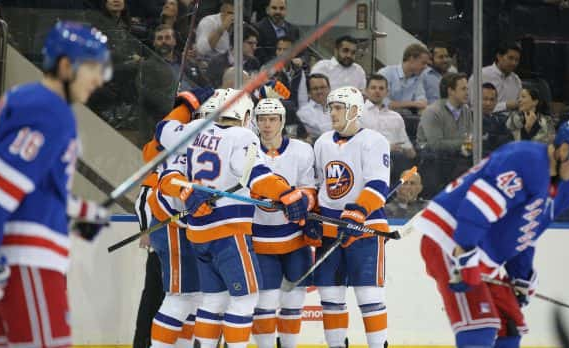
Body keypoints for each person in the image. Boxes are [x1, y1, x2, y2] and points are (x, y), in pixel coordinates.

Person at [415, 117, 569, 348]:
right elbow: (477, 206)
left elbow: (526, 236)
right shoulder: (525, 159)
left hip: (481, 254)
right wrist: (464, 256)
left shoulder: (563, 192)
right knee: (481, 326)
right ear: (564, 150)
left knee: (509, 325)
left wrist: (521, 276)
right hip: (452, 240)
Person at [153, 88, 310, 348]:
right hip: (229, 234)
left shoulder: (193, 132)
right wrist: (286, 193)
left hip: (198, 233)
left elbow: (166, 175)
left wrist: (186, 193)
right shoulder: (243, 136)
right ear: (245, 114)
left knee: (213, 300)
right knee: (246, 299)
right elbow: (256, 176)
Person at [0, 21, 112, 345]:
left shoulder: (24, 99)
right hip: (27, 264)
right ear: (66, 65)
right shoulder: (50, 110)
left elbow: (36, 190)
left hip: (18, 261)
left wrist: (81, 212)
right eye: (93, 69)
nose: (99, 80)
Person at [308, 86, 391, 348]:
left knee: (369, 295)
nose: (332, 112)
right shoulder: (321, 142)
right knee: (330, 296)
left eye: (338, 107)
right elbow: (319, 186)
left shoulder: (374, 141)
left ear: (355, 111)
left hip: (364, 229)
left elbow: (378, 186)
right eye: (331, 107)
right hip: (330, 230)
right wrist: (311, 214)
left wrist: (358, 212)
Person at [138, 87, 214, 347]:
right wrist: (145, 227)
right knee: (172, 296)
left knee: (194, 296)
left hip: (190, 225)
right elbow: (151, 181)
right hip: (170, 223)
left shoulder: (204, 139)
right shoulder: (174, 139)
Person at [249, 98, 316, 348]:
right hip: (261, 239)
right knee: (264, 304)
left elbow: (309, 188)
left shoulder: (302, 150)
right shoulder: (248, 150)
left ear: (282, 121)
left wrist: (305, 204)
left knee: (294, 302)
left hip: (294, 238)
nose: (267, 125)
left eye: (272, 119)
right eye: (262, 119)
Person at [361, 74, 415, 181]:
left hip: (396, 159)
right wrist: (386, 147)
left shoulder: (396, 117)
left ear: (387, 92)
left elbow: (409, 149)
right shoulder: (357, 114)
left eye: (381, 88)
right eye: (373, 88)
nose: (377, 91)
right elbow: (355, 144)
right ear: (366, 91)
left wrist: (408, 151)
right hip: (367, 159)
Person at [469, 42, 522, 113]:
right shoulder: (480, 76)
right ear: (499, 56)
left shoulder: (516, 80)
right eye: (510, 58)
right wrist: (506, 105)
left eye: (517, 60)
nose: (514, 63)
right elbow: (473, 107)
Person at [377, 43, 429, 113]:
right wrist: (412, 104)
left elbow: (422, 102)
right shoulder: (386, 73)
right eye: (423, 63)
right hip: (384, 117)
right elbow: (382, 103)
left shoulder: (418, 77)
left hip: (408, 118)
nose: (426, 67)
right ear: (412, 59)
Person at [205, 23, 260, 88]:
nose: (254, 47)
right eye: (250, 43)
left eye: (255, 44)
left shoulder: (254, 63)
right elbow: (209, 89)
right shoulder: (216, 63)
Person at [254, 0, 301, 65]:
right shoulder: (257, 29)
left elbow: (303, 51)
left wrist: (301, 60)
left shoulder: (293, 30)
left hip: (292, 71)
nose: (278, 11)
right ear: (267, 10)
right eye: (274, 8)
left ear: (286, 10)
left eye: (281, 8)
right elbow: (259, 55)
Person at [296, 73, 332, 140]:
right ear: (309, 93)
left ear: (329, 89)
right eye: (315, 89)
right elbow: (322, 131)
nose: (319, 91)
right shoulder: (303, 113)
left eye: (323, 87)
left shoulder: (339, 106)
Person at [482, 83, 513, 155]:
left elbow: (509, 141)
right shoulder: (470, 119)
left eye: (492, 100)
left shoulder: (501, 120)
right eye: (485, 99)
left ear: (496, 102)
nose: (488, 103)